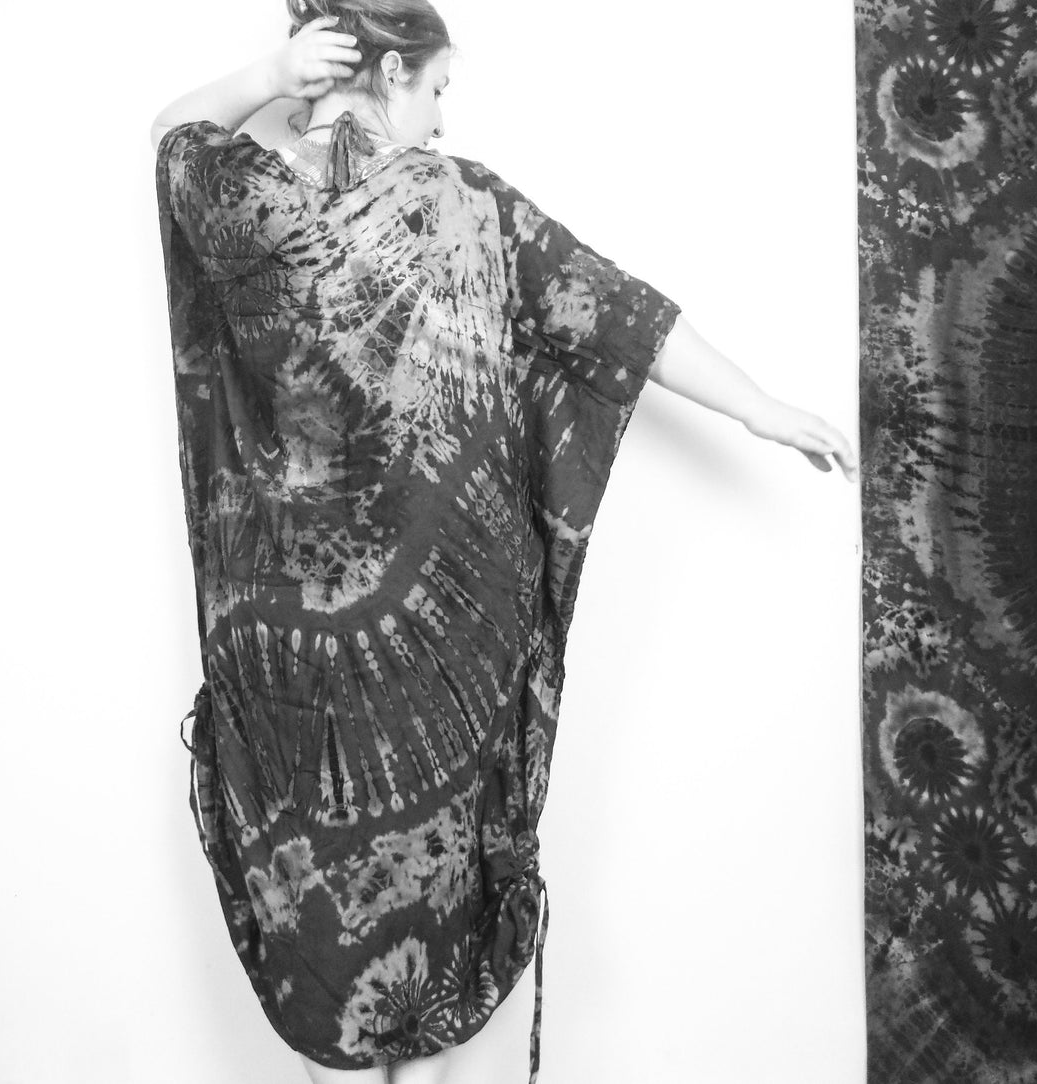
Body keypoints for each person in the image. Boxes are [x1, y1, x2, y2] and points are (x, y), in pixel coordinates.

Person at [152, 2, 857, 1082]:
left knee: (324, 950)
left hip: (284, 658)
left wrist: (269, 77)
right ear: (393, 75)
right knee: (435, 943)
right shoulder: (467, 208)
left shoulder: (249, 203)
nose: (440, 120)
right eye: (437, 88)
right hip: (442, 653)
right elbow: (620, 316)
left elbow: (172, 137)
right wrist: (758, 406)